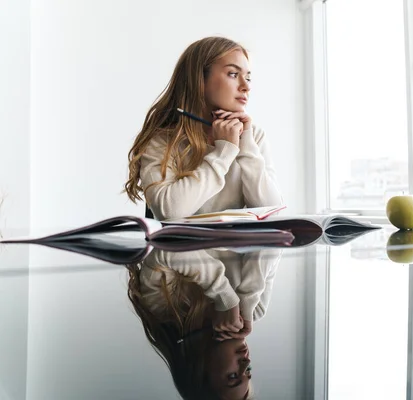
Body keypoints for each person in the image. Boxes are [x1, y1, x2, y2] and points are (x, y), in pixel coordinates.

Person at [124, 37, 283, 220]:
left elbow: (273, 212)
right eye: (233, 74)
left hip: (240, 248)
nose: (246, 86)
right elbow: (168, 212)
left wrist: (246, 146)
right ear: (199, 79)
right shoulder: (163, 140)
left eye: (248, 77)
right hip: (180, 248)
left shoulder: (253, 136)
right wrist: (224, 153)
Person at [126, 247, 282, 399]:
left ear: (200, 370)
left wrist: (224, 297)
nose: (246, 361)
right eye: (248, 370)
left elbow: (169, 249)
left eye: (233, 375)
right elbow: (275, 241)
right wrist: (248, 296)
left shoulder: (165, 309)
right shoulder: (254, 308)